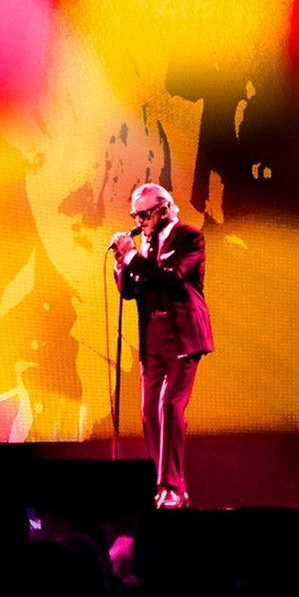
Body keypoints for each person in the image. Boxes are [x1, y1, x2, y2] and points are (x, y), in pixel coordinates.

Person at [109, 183, 213, 508]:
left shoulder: (189, 237)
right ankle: (160, 485)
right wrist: (122, 265)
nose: (139, 222)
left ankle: (173, 489)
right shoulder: (145, 245)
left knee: (169, 407)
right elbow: (131, 291)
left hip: (182, 335)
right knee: (149, 413)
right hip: (151, 339)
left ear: (164, 209)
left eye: (144, 215)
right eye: (135, 216)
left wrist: (132, 255)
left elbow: (171, 276)